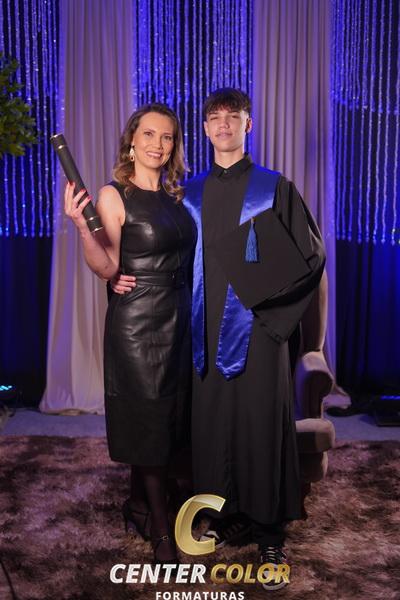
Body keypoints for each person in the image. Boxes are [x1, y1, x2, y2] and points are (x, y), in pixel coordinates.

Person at [112, 88, 325, 591]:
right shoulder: (186, 194)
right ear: (205, 128)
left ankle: (269, 532)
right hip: (202, 332)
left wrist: (272, 318)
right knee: (211, 427)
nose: (223, 124)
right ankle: (221, 513)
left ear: (248, 125)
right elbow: (159, 255)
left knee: (260, 427)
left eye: (233, 116)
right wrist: (117, 275)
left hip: (261, 334)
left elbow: (310, 258)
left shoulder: (274, 188)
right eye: (214, 118)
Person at [64, 103, 196, 567]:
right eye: (149, 135)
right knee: (150, 418)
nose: (158, 144)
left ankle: (138, 505)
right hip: (138, 323)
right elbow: (107, 266)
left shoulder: (176, 197)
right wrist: (82, 227)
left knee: (167, 417)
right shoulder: (113, 194)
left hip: (179, 314)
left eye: (167, 137)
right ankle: (160, 528)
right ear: (132, 141)